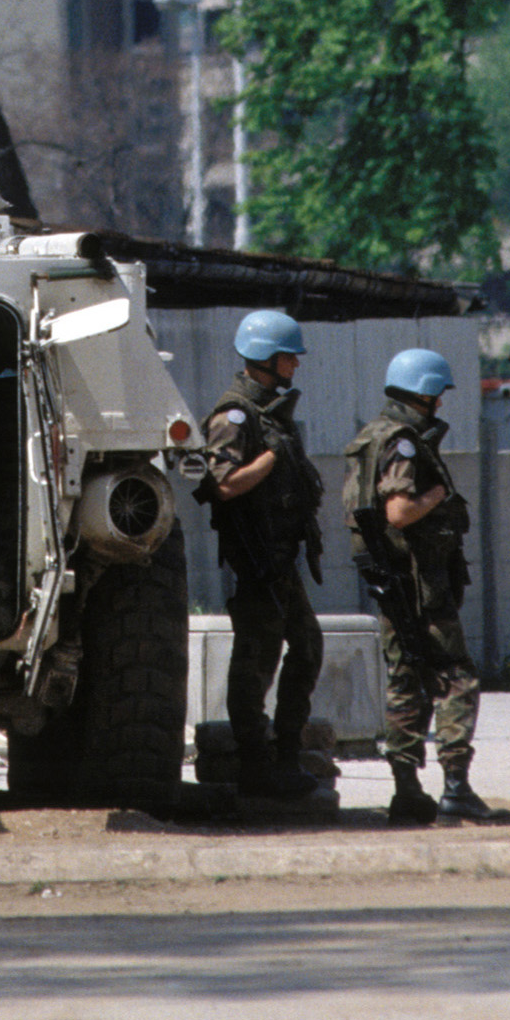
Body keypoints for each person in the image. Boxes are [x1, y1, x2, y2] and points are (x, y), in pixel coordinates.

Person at [343, 349, 510, 825]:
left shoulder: (371, 437)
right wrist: (436, 494)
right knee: (457, 678)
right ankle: (456, 786)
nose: (440, 403)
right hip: (419, 585)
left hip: (394, 584)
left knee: (405, 683)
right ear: (422, 391)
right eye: (437, 393)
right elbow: (398, 511)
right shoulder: (405, 443)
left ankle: (407, 791)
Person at [198, 310, 325, 800]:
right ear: (264, 359)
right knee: (256, 662)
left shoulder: (271, 413)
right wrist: (271, 459)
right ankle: (255, 762)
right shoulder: (235, 417)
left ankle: (285, 753)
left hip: (281, 560)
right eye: (288, 356)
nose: (295, 364)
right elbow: (223, 485)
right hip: (256, 562)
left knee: (307, 647)